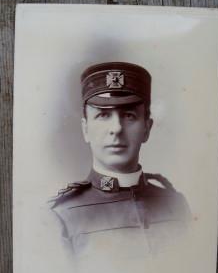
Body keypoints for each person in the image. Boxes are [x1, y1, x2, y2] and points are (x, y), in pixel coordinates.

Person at [49, 62, 191, 258]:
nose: (116, 128)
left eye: (129, 116)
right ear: (85, 129)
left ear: (147, 129)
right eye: (103, 115)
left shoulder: (176, 205)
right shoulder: (62, 217)